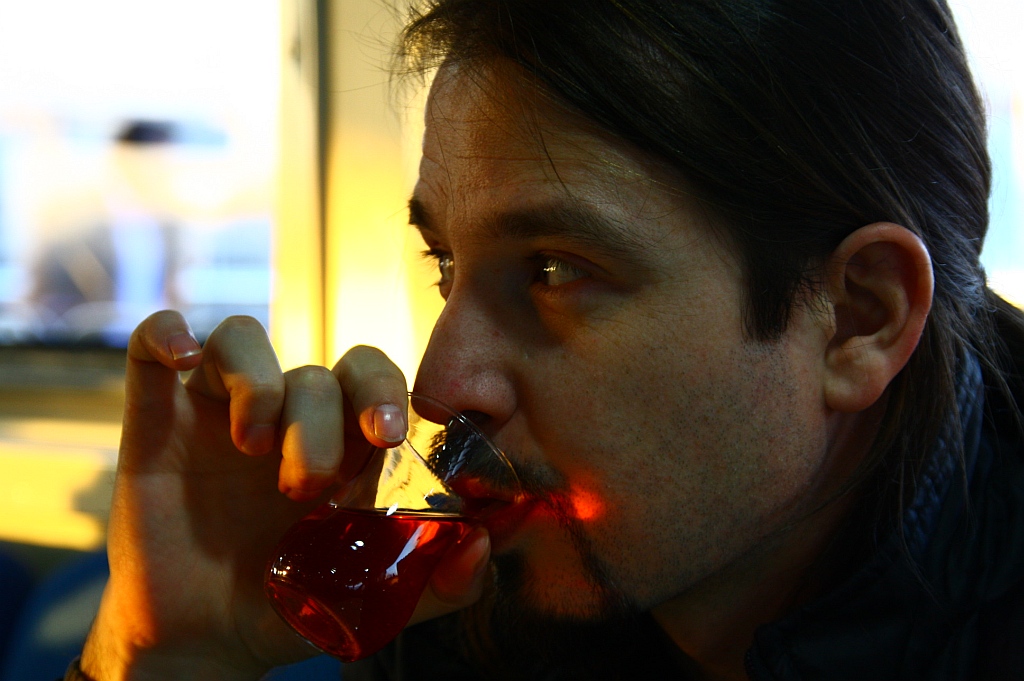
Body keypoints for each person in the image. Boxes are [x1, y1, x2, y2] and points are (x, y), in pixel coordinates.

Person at [67, 0, 1024, 679]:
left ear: (859, 319)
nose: (440, 387)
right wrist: (161, 662)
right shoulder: (466, 599)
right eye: (445, 263)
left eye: (556, 271)